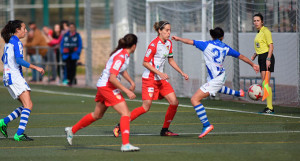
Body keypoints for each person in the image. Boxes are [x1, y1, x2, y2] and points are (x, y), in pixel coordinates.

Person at [172, 27, 259, 138]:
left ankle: (206, 125)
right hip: (219, 76)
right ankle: (237, 93)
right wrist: (253, 64)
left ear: (212, 36)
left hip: (216, 78)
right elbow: (240, 56)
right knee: (217, 88)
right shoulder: (225, 47)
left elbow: (190, 42)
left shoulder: (206, 44)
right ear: (222, 37)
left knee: (194, 99)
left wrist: (178, 38)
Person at [64, 34, 140, 152]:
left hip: (103, 85)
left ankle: (72, 130)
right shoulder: (121, 56)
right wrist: (126, 91)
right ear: (134, 45)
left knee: (97, 115)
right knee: (126, 113)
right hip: (107, 86)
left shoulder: (123, 53)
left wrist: (131, 82)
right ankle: (125, 144)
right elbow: (112, 78)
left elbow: (121, 69)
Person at [113, 21, 189, 137]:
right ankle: (120, 125)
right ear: (160, 31)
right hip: (150, 79)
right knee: (145, 107)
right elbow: (145, 62)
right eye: (166, 30)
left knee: (174, 102)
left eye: (170, 30)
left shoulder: (169, 43)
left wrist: (181, 72)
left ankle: (165, 130)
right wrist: (160, 73)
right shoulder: (154, 45)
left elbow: (171, 60)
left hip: (161, 80)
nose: (169, 33)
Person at [0, 20, 45, 141]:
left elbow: (3, 59)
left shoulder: (8, 43)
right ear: (17, 30)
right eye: (24, 28)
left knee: (27, 105)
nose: (26, 31)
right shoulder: (17, 43)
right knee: (28, 105)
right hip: (14, 77)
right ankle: (19, 134)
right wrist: (36, 67)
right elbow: (19, 61)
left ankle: (3, 122)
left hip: (7, 77)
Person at [251, 13, 275, 114]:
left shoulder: (266, 31)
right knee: (264, 83)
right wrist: (255, 54)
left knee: (266, 83)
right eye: (254, 21)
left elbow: (271, 46)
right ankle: (268, 107)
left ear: (262, 22)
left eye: (258, 20)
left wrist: (268, 58)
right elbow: (261, 46)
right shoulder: (259, 32)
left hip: (266, 58)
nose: (256, 22)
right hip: (261, 57)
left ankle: (270, 108)